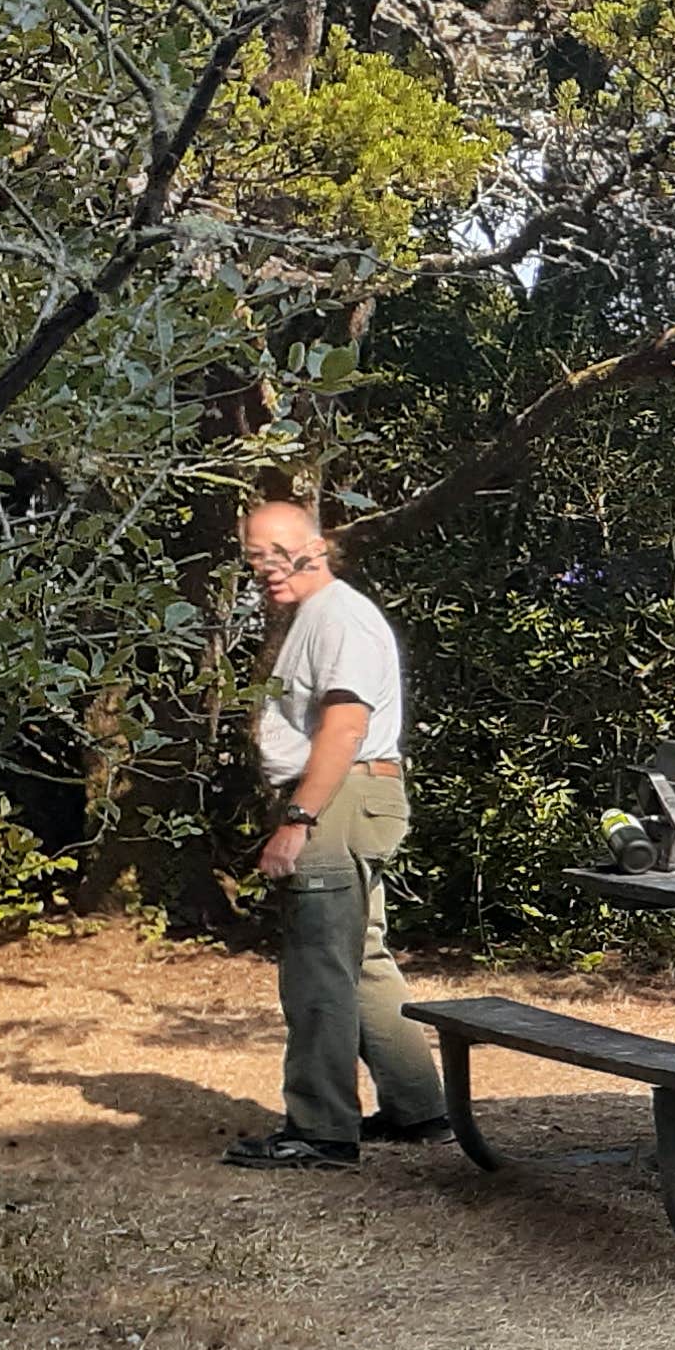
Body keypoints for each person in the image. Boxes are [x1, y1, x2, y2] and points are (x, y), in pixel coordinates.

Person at [225, 499, 451, 1169]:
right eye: (253, 557)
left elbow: (345, 727)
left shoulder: (337, 616)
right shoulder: (318, 616)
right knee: (363, 958)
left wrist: (297, 820)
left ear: (316, 545)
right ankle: (419, 1111)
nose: (265, 568)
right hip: (352, 794)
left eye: (276, 550)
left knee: (318, 965)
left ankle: (320, 1130)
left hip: (339, 796)